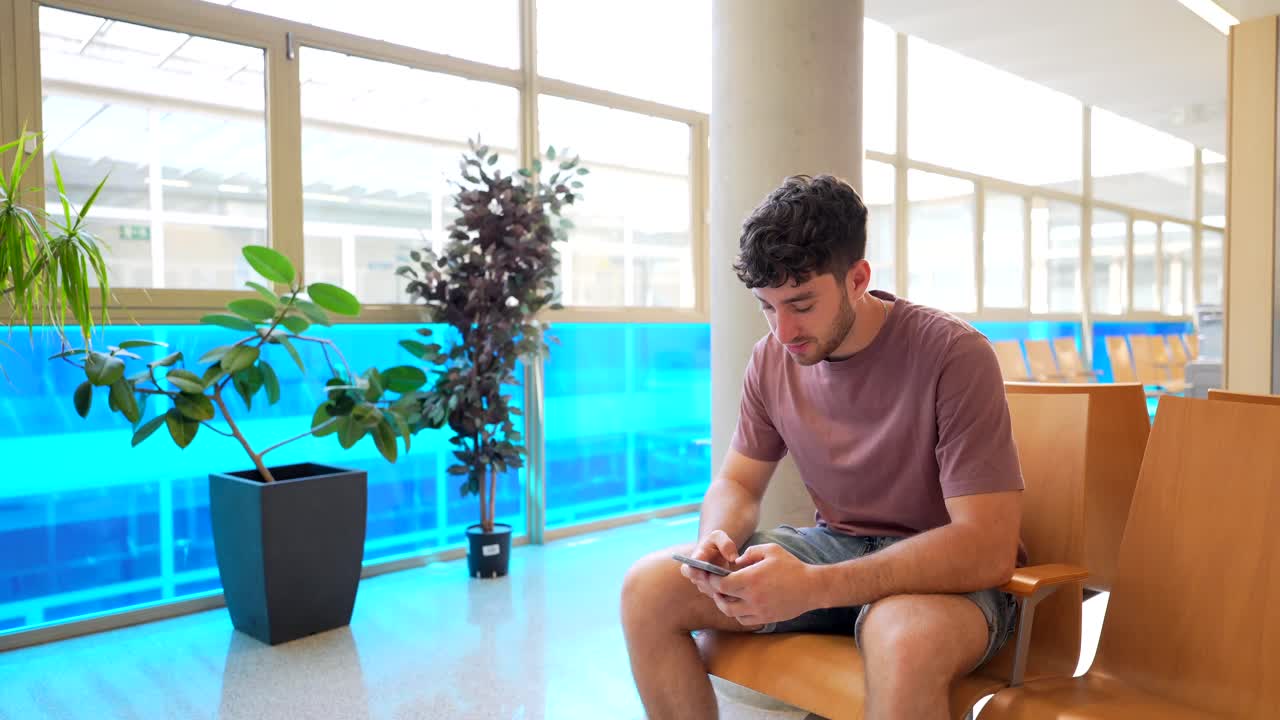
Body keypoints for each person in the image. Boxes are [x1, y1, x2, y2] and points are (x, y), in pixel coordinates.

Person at [620, 174, 1025, 720]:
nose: (783, 331)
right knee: (647, 590)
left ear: (858, 279)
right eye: (768, 307)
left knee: (901, 637)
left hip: (947, 573)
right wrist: (715, 539)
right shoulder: (770, 360)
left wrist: (814, 587)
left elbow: (986, 546)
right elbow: (738, 481)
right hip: (837, 547)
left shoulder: (954, 354)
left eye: (802, 304)